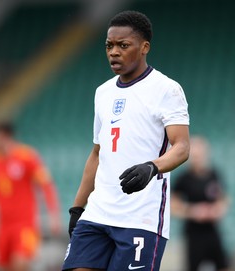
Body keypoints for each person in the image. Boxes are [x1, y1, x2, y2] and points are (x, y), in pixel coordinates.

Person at [62, 10, 190, 271]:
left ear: (144, 47)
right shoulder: (103, 92)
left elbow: (182, 147)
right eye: (109, 46)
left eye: (123, 45)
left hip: (140, 217)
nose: (114, 52)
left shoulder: (167, 89)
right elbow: (97, 154)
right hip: (98, 212)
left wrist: (152, 167)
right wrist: (78, 207)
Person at [0, 121, 61, 271]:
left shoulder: (27, 156)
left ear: (3, 136)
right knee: (5, 267)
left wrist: (54, 215)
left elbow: (47, 186)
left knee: (20, 264)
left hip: (25, 224)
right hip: (3, 226)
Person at [171, 136, 229, 271]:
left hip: (213, 230)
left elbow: (224, 199)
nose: (198, 158)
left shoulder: (214, 174)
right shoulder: (183, 179)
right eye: (195, 155)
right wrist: (193, 211)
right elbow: (173, 206)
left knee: (224, 265)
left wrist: (218, 209)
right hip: (194, 233)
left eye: (200, 154)